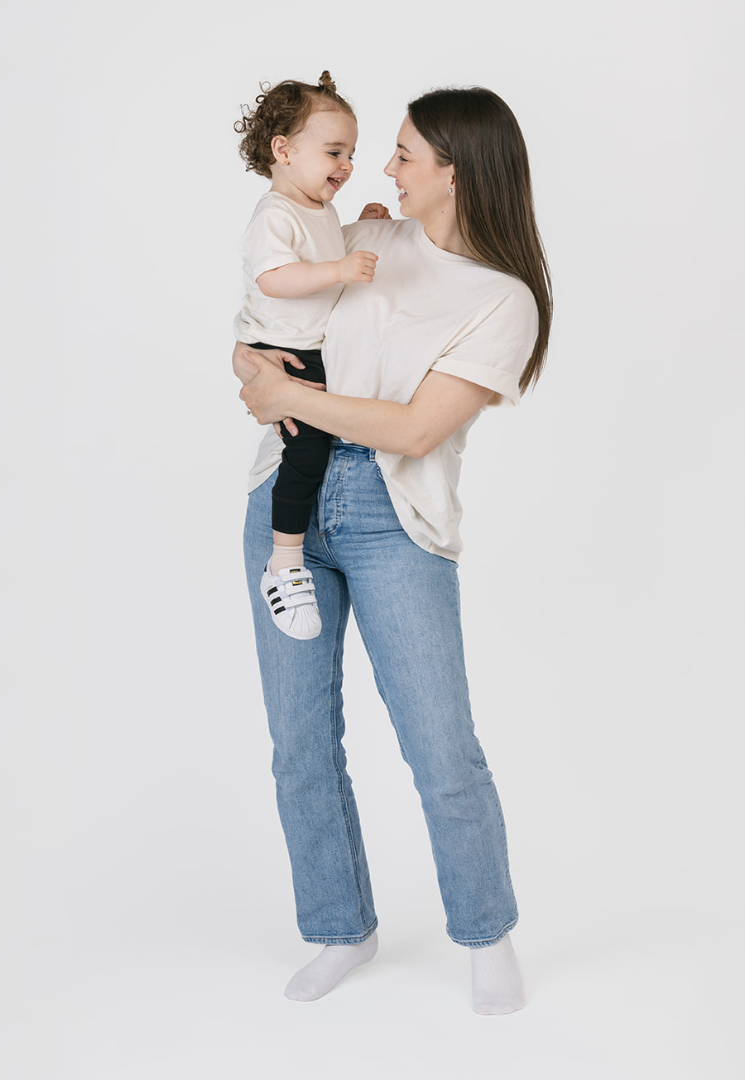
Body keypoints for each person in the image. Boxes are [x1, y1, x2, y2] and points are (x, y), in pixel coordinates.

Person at [235, 85, 552, 1015]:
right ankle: (341, 928)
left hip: (392, 519)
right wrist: (253, 370)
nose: (382, 167)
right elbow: (272, 326)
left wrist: (288, 398)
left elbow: (415, 432)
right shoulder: (366, 239)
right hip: (283, 501)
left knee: (440, 745)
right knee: (299, 743)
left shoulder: (503, 302)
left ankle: (486, 934)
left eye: (405, 152)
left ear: (454, 169)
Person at [233, 70, 385, 639]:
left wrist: (356, 233)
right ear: (284, 150)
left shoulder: (315, 212)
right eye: (333, 152)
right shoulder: (274, 213)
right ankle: (286, 560)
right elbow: (277, 277)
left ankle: (289, 555)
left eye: (350, 154)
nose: (345, 165)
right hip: (284, 351)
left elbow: (318, 256)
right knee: (308, 450)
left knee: (311, 440)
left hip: (303, 348)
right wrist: (342, 268)